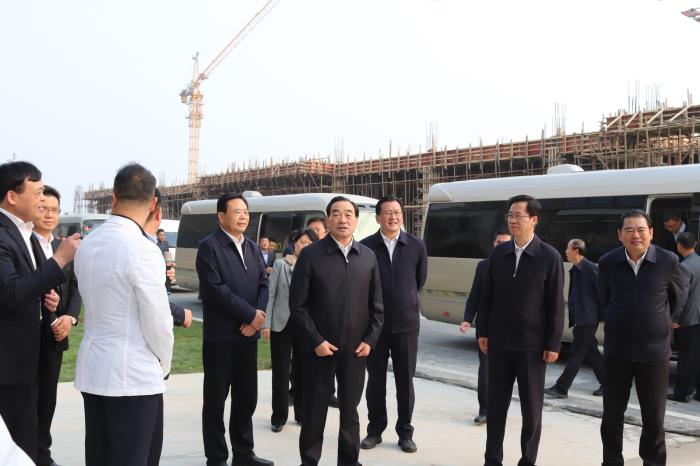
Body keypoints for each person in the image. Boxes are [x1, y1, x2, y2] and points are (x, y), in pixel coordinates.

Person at [74, 164, 174, 466]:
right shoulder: (143, 248)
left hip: (94, 368)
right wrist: (164, 364)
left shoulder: (88, 243)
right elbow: (158, 321)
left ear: (114, 197)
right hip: (133, 375)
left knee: (100, 457)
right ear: (153, 203)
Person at [289, 196, 384, 466]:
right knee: (314, 412)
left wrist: (370, 340)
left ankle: (349, 461)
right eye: (336, 214)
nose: (343, 219)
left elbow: (377, 307)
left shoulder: (367, 257)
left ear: (356, 220)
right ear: (328, 219)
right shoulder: (311, 255)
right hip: (320, 350)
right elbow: (298, 306)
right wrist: (315, 341)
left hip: (356, 350)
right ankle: (309, 461)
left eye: (348, 214)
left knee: (350, 412)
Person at [476, 194, 564, 466]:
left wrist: (553, 343)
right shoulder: (499, 253)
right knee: (496, 406)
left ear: (534, 220)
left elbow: (555, 304)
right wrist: (483, 331)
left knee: (531, 409)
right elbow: (487, 296)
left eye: (518, 215)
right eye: (510, 215)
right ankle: (492, 459)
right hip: (499, 343)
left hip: (532, 347)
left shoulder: (549, 256)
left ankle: (528, 459)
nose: (512, 220)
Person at [0, 161, 80, 462]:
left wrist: (49, 302)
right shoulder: (3, 233)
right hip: (8, 366)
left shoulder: (22, 232)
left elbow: (28, 286)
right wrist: (59, 260)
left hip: (28, 361)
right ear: (12, 196)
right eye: (37, 193)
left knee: (27, 440)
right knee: (12, 447)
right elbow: (10, 292)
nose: (42, 200)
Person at [598, 210, 687, 466]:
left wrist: (660, 320)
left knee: (654, 416)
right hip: (617, 349)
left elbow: (678, 296)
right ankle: (611, 461)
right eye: (629, 230)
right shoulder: (608, 262)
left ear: (651, 233)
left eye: (640, 230)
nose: (635, 235)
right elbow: (602, 297)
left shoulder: (668, 260)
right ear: (619, 235)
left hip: (654, 350)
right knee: (612, 413)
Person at [197, 193, 272, 466]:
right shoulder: (209, 247)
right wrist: (250, 315)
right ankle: (216, 457)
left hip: (247, 337)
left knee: (246, 398)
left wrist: (256, 319)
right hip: (221, 338)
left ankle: (243, 453)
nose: (243, 216)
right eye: (237, 211)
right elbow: (215, 290)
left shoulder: (252, 247)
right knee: (216, 401)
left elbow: (263, 284)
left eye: (246, 212)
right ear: (221, 216)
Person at [359, 195, 427, 454]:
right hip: (374, 326)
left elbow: (419, 280)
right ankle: (375, 430)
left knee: (405, 382)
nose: (393, 216)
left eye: (397, 212)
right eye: (387, 212)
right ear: (378, 217)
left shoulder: (416, 246)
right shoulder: (366, 247)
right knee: (375, 380)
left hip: (406, 325)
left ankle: (405, 432)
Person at [33, 186, 82, 466]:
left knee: (47, 398)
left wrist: (70, 318)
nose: (50, 215)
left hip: (56, 334)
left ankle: (43, 453)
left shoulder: (63, 247)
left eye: (54, 210)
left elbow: (76, 286)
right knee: (27, 398)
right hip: (28, 334)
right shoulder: (24, 243)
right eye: (44, 208)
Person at [262, 228, 319, 432]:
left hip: (305, 325)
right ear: (294, 244)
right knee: (281, 371)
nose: (305, 246)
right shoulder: (280, 264)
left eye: (309, 244)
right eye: (301, 242)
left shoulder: (316, 266)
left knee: (303, 371)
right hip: (281, 323)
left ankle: (301, 413)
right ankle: (279, 416)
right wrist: (266, 323)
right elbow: (271, 294)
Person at [460, 231, 512, 426]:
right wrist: (467, 319)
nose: (501, 245)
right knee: (486, 369)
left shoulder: (518, 264)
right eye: (499, 242)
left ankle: (501, 409)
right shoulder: (483, 265)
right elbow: (475, 294)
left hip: (511, 327)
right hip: (486, 327)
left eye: (505, 242)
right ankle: (485, 410)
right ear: (493, 244)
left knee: (506, 371)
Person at [545, 239, 605, 399]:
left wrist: (601, 316)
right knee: (592, 352)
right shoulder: (576, 269)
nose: (565, 251)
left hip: (588, 318)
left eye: (568, 249)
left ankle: (561, 388)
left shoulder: (590, 269)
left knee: (575, 355)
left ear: (576, 251)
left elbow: (602, 293)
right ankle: (608, 384)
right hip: (581, 317)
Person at [145, 189, 193, 329]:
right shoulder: (144, 247)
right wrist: (181, 315)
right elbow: (150, 296)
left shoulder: (95, 240)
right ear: (157, 210)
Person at [668, 232, 700, 403]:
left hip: (690, 318)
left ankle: (682, 392)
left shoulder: (684, 267)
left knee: (687, 357)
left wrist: (675, 318)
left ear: (679, 246)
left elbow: (682, 296)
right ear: (695, 244)